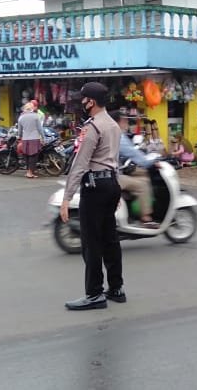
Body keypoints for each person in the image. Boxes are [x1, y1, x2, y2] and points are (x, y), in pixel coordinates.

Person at [61, 82, 123, 311]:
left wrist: (67, 197)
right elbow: (115, 160)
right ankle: (116, 288)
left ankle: (95, 293)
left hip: (95, 187)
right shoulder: (113, 125)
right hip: (111, 184)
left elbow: (80, 163)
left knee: (91, 243)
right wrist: (116, 188)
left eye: (84, 99)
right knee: (110, 239)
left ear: (91, 101)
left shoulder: (92, 127)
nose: (82, 102)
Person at [112, 110, 157, 228]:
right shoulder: (119, 137)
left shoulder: (109, 134)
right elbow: (134, 154)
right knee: (142, 185)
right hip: (112, 177)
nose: (127, 123)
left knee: (142, 175)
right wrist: (152, 162)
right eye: (124, 120)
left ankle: (131, 213)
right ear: (118, 122)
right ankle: (146, 219)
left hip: (106, 174)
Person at [18, 103, 44, 179]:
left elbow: (20, 130)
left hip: (25, 139)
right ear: (32, 108)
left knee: (26, 155)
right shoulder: (35, 116)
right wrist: (43, 137)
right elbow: (40, 129)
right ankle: (30, 173)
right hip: (34, 138)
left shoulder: (21, 117)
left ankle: (28, 172)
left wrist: (20, 137)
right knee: (33, 156)